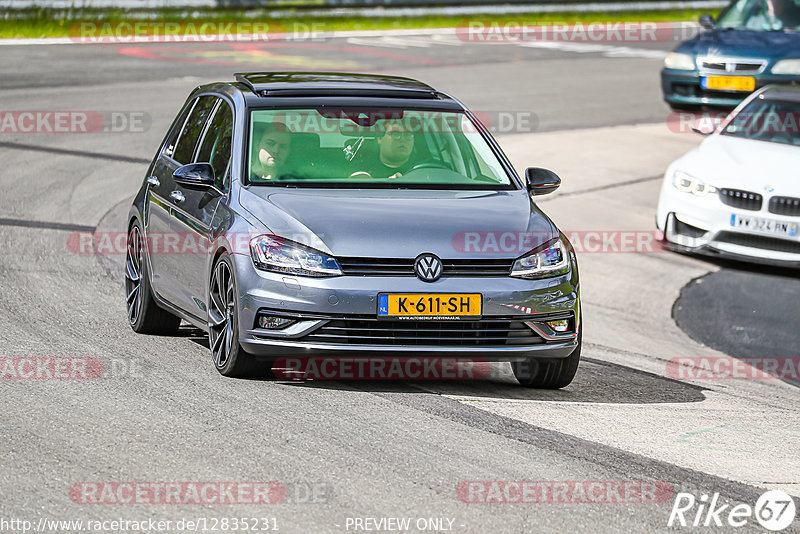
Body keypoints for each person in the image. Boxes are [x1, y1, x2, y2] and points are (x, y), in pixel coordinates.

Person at [349, 120, 416, 179]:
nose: (403, 139)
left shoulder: (422, 168)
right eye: (395, 134)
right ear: (379, 138)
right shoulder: (362, 166)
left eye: (408, 134)